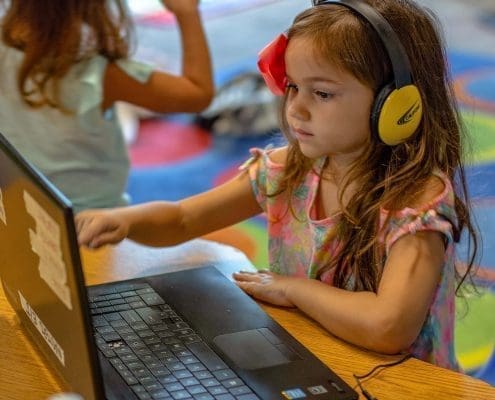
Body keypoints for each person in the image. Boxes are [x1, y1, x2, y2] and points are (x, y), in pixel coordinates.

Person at [75, 0, 479, 371]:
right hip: (316, 358)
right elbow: (182, 220)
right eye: (292, 87)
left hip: (401, 384)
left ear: (394, 106)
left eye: (322, 93)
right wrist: (125, 220)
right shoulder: (290, 171)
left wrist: (292, 290)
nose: (296, 108)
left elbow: (388, 327)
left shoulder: (414, 202)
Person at [0, 0, 213, 212]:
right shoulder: (101, 74)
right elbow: (197, 93)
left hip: (14, 208)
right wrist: (187, 12)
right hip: (92, 224)